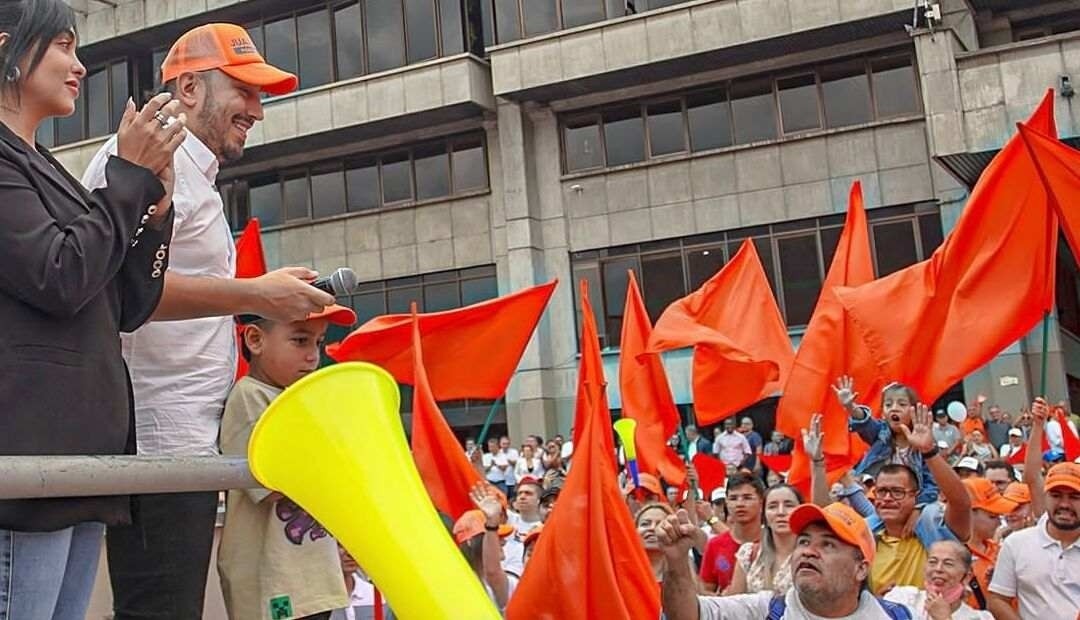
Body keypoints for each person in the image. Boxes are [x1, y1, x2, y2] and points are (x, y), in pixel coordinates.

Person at [80, 23, 335, 619]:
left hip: (179, 433)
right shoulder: (145, 161)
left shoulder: (192, 172)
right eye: (244, 90)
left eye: (259, 94)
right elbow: (122, 293)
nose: (257, 109)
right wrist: (257, 294)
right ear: (189, 88)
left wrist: (265, 294)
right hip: (157, 434)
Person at [0, 1, 183, 616]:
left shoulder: (45, 168)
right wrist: (127, 179)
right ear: (8, 49)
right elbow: (59, 273)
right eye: (63, 47)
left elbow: (124, 305)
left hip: (79, 469)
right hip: (25, 470)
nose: (79, 67)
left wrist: (153, 217)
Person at [217, 305, 356, 620]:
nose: (312, 355)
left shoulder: (298, 401)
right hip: (274, 578)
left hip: (311, 576)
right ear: (255, 339)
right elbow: (278, 483)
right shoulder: (251, 397)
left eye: (318, 343)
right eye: (299, 340)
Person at [658, 502, 915, 619]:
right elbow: (686, 615)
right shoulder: (765, 611)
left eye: (827, 544)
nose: (808, 551)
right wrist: (677, 562)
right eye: (803, 541)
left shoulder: (899, 615)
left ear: (861, 569)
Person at [859, 404, 971, 594]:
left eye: (897, 492)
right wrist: (879, 603)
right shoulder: (864, 537)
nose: (887, 498)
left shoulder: (934, 528)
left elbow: (960, 502)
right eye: (881, 491)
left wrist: (928, 451)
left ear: (915, 495)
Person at [988, 462, 1080, 619]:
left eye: (1074, 497)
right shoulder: (1016, 544)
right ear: (1045, 497)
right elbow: (997, 599)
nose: (1064, 504)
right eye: (1056, 496)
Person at [841, 379, 941, 510]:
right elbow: (865, 424)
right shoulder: (881, 434)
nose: (894, 408)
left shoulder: (924, 442)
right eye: (888, 405)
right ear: (883, 413)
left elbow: (931, 485)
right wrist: (851, 407)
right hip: (882, 505)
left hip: (915, 505)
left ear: (914, 411)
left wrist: (917, 509)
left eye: (902, 404)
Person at [725, 484, 803, 596]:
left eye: (789, 505)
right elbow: (735, 605)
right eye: (772, 506)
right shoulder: (748, 553)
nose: (781, 512)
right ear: (764, 513)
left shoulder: (811, 555)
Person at [883, 540, 992, 619]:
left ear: (967, 576)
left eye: (948, 564)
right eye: (932, 562)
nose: (938, 569)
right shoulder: (902, 598)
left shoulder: (980, 618)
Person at [698, 472, 763, 593]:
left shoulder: (774, 541)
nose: (740, 504)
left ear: (761, 501)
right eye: (733, 498)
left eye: (747, 498)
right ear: (727, 503)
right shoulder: (714, 545)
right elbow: (705, 592)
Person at [961, 477, 1016, 610]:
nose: (998, 523)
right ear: (969, 513)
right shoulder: (950, 555)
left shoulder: (1001, 550)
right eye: (992, 516)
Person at [502, 478, 543, 577]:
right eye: (519, 493)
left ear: (539, 500)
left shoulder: (545, 527)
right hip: (502, 577)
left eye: (528, 493)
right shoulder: (508, 519)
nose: (522, 497)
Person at [636, 502, 677, 582]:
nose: (652, 528)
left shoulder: (684, 576)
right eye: (645, 524)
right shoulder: (619, 573)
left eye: (661, 525)